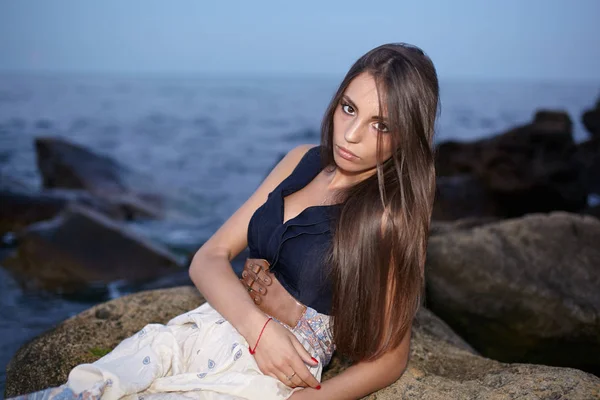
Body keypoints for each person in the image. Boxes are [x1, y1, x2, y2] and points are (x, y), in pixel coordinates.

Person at [10, 42, 439, 400]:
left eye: (379, 125)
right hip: (207, 329)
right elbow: (210, 256)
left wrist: (314, 395)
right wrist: (260, 328)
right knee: (82, 390)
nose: (350, 134)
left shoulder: (388, 217)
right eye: (348, 108)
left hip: (264, 374)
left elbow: (390, 355)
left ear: (406, 136)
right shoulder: (299, 161)